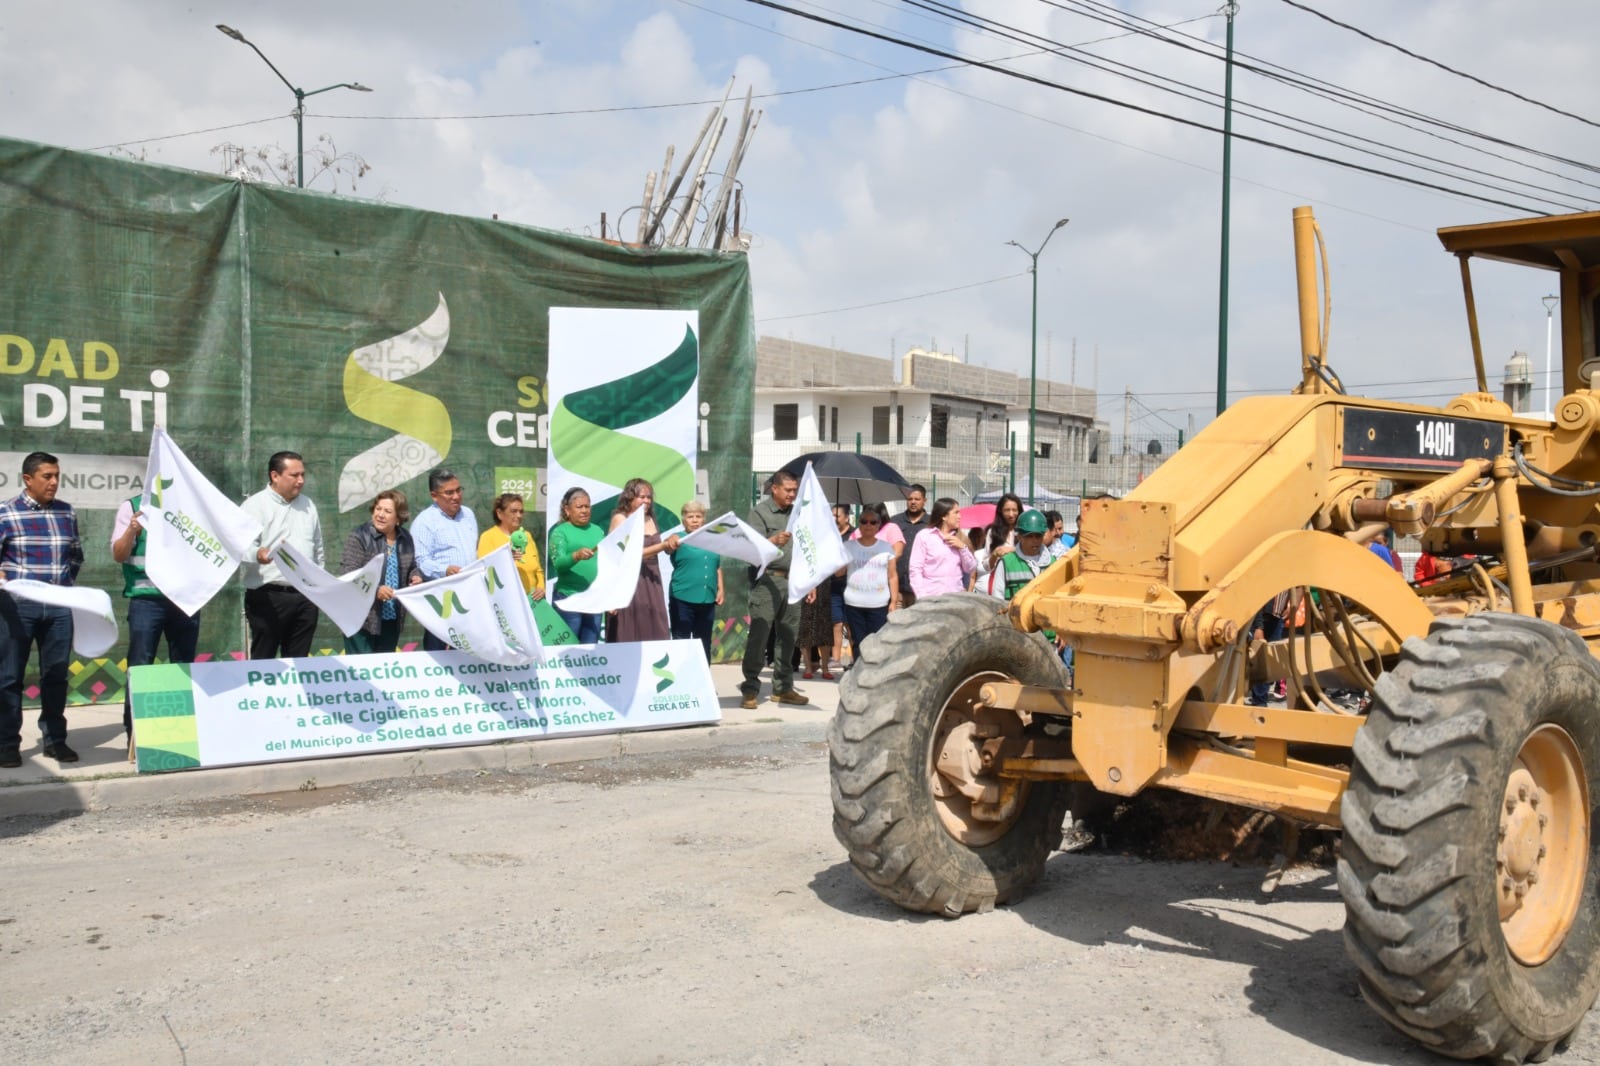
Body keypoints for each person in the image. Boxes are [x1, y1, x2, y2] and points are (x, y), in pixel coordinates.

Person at [0, 452, 84, 766]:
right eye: (47, 476)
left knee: (56, 674)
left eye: (56, 476)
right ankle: (7, 743)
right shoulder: (6, 513)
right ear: (27, 479)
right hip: (17, 607)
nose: (53, 482)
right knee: (9, 676)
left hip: (60, 607)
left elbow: (75, 555)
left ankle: (55, 741)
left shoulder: (66, 512)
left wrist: (61, 589)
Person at [112, 489, 201, 743]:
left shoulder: (192, 507)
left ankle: (181, 735)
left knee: (183, 667)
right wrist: (132, 530)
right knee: (140, 666)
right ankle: (137, 738)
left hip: (184, 599)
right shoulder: (132, 507)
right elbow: (119, 554)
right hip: (146, 600)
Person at [241, 450, 323, 659]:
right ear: (274, 476)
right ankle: (261, 692)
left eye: (302, 474)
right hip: (268, 596)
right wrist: (257, 554)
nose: (301, 480)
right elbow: (238, 547)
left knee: (299, 660)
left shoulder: (308, 505)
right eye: (294, 475)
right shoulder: (254, 506)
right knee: (264, 659)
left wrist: (318, 583)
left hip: (306, 595)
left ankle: (295, 693)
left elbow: (318, 550)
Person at [740, 470, 807, 709]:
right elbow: (749, 549)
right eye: (788, 490)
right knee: (760, 635)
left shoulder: (797, 514)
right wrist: (771, 542)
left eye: (794, 490)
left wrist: (809, 581)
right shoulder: (760, 513)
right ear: (774, 489)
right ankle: (750, 688)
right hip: (766, 582)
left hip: (793, 582)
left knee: (788, 636)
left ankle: (783, 688)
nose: (792, 494)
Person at [340, 490, 421, 654]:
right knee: (361, 672)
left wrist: (416, 576)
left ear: (398, 518)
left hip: (392, 617)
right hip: (361, 619)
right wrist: (376, 591)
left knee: (384, 671)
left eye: (387, 511)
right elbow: (349, 574)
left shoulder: (405, 538)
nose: (380, 515)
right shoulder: (359, 536)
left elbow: (412, 565)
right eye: (378, 509)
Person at [410, 467, 478, 652]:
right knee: (438, 650)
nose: (456, 496)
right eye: (449, 492)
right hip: (441, 599)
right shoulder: (424, 522)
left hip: (469, 596)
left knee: (468, 649)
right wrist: (444, 569)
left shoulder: (468, 515)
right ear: (434, 495)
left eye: (458, 490)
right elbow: (420, 560)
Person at [608, 478, 678, 642]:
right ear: (630, 497)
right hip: (629, 580)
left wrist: (670, 544)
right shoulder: (621, 519)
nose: (646, 501)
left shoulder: (651, 518)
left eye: (649, 497)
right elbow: (629, 555)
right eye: (642, 497)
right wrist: (663, 545)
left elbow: (659, 547)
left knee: (655, 628)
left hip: (652, 579)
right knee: (629, 628)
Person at [666, 500, 722, 661]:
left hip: (707, 599)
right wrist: (672, 538)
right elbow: (668, 546)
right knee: (681, 641)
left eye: (698, 516)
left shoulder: (712, 539)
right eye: (690, 516)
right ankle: (680, 681)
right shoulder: (678, 539)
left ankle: (703, 683)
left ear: (704, 519)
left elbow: (717, 566)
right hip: (682, 598)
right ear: (684, 520)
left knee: (704, 643)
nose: (695, 520)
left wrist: (721, 589)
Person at [839, 505, 898, 658]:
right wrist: (838, 557)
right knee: (858, 640)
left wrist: (893, 602)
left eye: (873, 522)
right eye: (864, 521)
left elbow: (892, 576)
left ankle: (874, 674)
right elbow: (839, 573)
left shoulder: (886, 547)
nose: (868, 525)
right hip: (854, 602)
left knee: (877, 641)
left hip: (878, 603)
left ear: (879, 525)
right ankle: (858, 673)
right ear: (859, 524)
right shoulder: (848, 546)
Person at [549, 487, 604, 644]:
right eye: (579, 507)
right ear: (567, 510)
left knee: (590, 648)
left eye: (587, 506)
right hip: (569, 597)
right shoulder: (560, 532)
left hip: (594, 600)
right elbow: (558, 564)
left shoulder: (598, 531)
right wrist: (576, 555)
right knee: (569, 649)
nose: (585, 510)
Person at [477, 493, 545, 599]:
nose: (519, 515)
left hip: (532, 602)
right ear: (499, 513)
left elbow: (538, 570)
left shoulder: (527, 536)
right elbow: (484, 570)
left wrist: (541, 587)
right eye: (514, 511)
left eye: (521, 512)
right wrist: (507, 559)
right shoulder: (488, 537)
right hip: (506, 601)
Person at [909, 498, 975, 599]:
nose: (959, 516)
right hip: (931, 598)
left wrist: (962, 548)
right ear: (944, 516)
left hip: (956, 598)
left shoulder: (960, 538)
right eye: (956, 513)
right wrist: (922, 596)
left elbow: (970, 568)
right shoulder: (924, 536)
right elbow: (915, 569)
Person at [990, 510, 1053, 602]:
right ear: (1019, 537)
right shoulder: (1006, 563)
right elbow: (997, 598)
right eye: (1029, 536)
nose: (1034, 540)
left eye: (1038, 536)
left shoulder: (1053, 562)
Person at [889, 484, 930, 607]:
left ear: (924, 501)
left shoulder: (932, 523)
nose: (913, 502)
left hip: (921, 589)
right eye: (909, 499)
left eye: (917, 499)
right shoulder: (895, 522)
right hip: (897, 587)